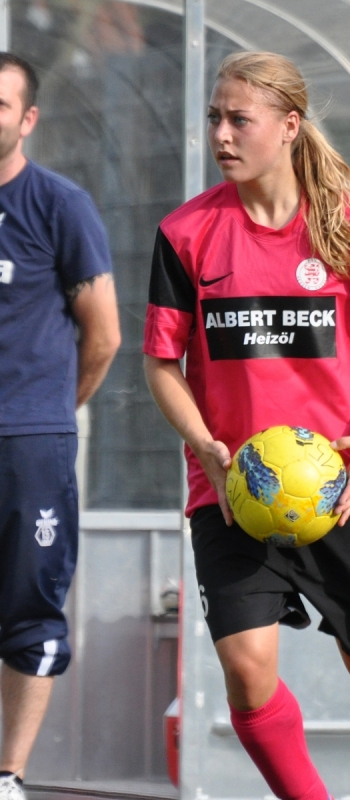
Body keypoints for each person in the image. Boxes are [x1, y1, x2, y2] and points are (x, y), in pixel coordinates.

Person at [144, 51, 350, 800]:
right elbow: (160, 363)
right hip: (231, 491)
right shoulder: (186, 233)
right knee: (246, 672)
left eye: (239, 119)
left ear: (289, 126)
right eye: (214, 118)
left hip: (337, 492)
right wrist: (206, 447)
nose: (221, 134)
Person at [0, 54, 120, 800]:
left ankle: (8, 774)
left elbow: (103, 335)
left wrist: (49, 413)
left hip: (28, 446)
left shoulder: (58, 205)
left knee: (27, 611)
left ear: (27, 119)